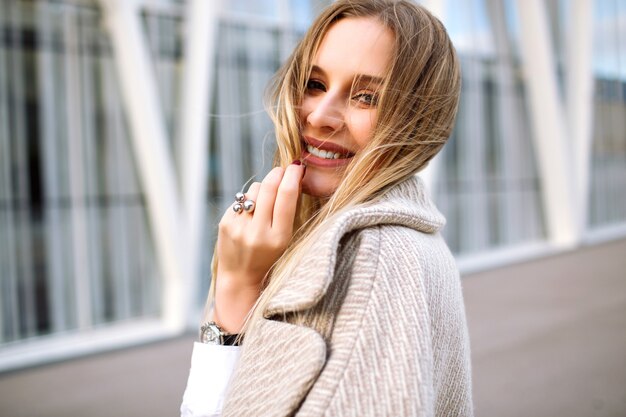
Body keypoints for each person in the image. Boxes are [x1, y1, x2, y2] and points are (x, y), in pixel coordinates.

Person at [181, 0, 473, 416]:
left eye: (367, 97)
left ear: (418, 121)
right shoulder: (388, 239)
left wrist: (237, 287)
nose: (319, 115)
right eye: (314, 84)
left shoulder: (372, 262)